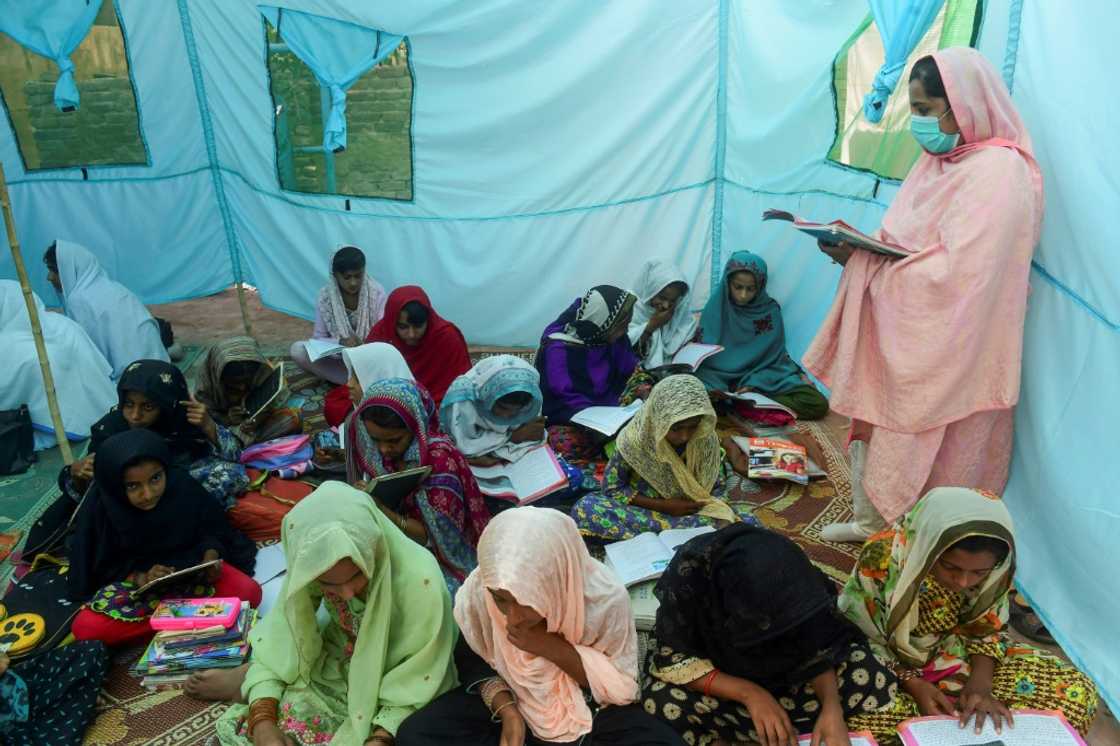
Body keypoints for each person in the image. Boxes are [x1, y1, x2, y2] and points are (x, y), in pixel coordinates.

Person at [805, 49, 1044, 542]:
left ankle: (919, 541)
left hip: (954, 343)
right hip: (905, 326)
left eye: (924, 109)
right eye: (912, 108)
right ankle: (873, 523)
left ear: (962, 105)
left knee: (935, 448)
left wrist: (869, 267)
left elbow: (964, 277)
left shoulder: (1000, 172)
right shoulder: (939, 161)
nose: (917, 122)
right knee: (882, 427)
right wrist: (858, 254)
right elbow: (903, 238)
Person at [396, 507, 684, 746]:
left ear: (554, 580)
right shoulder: (483, 586)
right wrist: (508, 712)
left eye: (526, 600)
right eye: (501, 600)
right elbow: (473, 659)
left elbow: (618, 686)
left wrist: (549, 647)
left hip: (589, 707)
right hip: (514, 695)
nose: (512, 618)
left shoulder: (603, 599)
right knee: (417, 734)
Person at [839, 487, 1099, 738]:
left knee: (1076, 693)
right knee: (861, 721)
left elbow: (987, 629)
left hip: (960, 655)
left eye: (978, 573)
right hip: (890, 665)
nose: (963, 582)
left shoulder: (997, 568)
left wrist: (980, 685)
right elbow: (857, 634)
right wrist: (912, 682)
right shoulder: (883, 557)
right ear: (928, 547)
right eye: (951, 567)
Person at [214, 482, 459, 745]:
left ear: (373, 549)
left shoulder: (420, 582)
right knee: (247, 730)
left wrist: (380, 737)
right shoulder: (314, 560)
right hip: (340, 661)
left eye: (356, 576)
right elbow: (285, 633)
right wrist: (263, 719)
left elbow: (421, 675)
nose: (347, 593)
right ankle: (252, 680)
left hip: (397, 678)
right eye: (329, 584)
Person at [644, 524, 915, 746]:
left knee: (867, 670)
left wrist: (832, 709)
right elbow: (674, 659)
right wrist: (751, 695)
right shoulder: (692, 580)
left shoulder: (792, 580)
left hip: (795, 680)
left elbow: (819, 645)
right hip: (727, 688)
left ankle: (800, 728)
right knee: (661, 701)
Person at [67, 429, 260, 647]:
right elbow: (101, 568)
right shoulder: (104, 509)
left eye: (155, 478)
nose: (148, 494)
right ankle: (193, 620)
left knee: (249, 591)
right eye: (133, 486)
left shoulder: (181, 487)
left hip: (193, 574)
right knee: (86, 628)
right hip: (137, 594)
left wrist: (210, 556)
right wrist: (141, 578)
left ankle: (170, 624)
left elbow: (213, 528)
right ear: (115, 485)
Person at [346, 377, 491, 594]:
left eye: (394, 440)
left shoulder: (440, 463)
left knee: (413, 594)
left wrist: (383, 511)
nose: (383, 449)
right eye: (375, 440)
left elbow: (436, 539)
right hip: (398, 534)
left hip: (439, 554)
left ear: (416, 427)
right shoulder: (383, 454)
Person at [571, 375, 757, 541]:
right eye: (675, 428)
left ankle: (670, 537)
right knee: (587, 507)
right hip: (646, 510)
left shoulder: (704, 440)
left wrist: (714, 510)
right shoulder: (634, 441)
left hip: (691, 512)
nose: (684, 436)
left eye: (692, 426)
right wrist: (664, 506)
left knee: (747, 521)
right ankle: (695, 537)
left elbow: (717, 487)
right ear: (657, 419)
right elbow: (612, 488)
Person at [60, 359, 249, 508]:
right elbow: (87, 494)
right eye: (129, 404)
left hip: (176, 501)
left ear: (168, 405)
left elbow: (236, 459)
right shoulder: (110, 430)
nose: (135, 416)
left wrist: (209, 426)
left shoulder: (184, 424)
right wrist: (76, 473)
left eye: (148, 407)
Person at [695, 251, 828, 421]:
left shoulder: (769, 311)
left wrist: (755, 383)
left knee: (816, 403)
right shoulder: (716, 307)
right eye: (738, 287)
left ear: (760, 286)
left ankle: (744, 403)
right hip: (718, 377)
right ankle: (738, 403)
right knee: (694, 394)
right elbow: (704, 353)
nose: (743, 295)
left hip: (759, 374)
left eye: (750, 289)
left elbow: (774, 358)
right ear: (727, 283)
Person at [0, 280, 116, 450]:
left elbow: (6, 390)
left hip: (52, 427)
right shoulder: (62, 323)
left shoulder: (8, 344)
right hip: (99, 407)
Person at [536, 285, 639, 460]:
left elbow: (631, 371)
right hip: (571, 417)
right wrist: (599, 422)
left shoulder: (613, 337)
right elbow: (565, 398)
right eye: (623, 326)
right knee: (566, 443)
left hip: (613, 411)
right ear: (603, 323)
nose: (626, 331)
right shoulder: (559, 350)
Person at [43, 240, 168, 379]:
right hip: (160, 363)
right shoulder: (109, 286)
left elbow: (88, 357)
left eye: (54, 271)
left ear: (70, 270)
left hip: (132, 377)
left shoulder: (79, 301)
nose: (49, 277)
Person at [290, 245, 388, 385]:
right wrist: (340, 343)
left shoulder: (376, 292)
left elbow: (383, 334)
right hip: (341, 361)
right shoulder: (325, 297)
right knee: (297, 350)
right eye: (347, 277)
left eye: (358, 276)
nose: (353, 283)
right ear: (335, 275)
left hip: (370, 358)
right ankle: (354, 381)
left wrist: (364, 346)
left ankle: (358, 381)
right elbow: (318, 339)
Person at [364, 285, 471, 406]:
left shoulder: (446, 338)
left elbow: (460, 390)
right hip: (389, 409)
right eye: (403, 327)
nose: (411, 334)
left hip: (438, 409)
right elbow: (364, 380)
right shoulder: (381, 336)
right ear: (392, 323)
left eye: (418, 326)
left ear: (428, 321)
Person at [194, 336, 302, 445]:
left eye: (247, 382)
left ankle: (257, 447)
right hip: (228, 433)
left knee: (292, 419)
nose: (242, 388)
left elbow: (275, 399)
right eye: (234, 384)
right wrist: (227, 419)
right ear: (220, 377)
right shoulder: (206, 388)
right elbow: (206, 423)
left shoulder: (263, 372)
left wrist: (258, 419)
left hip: (255, 425)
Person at [0, 642, 108, 746]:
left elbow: (3, 661)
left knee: (91, 649)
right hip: (13, 728)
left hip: (17, 686)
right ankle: (83, 694)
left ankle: (83, 694)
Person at [323, 342, 414, 429]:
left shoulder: (403, 426)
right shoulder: (352, 423)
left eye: (358, 379)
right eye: (351, 375)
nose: (349, 384)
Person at [627, 260, 697, 369]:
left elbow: (687, 332)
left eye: (672, 300)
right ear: (650, 290)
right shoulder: (628, 306)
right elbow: (622, 348)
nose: (666, 305)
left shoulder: (678, 311)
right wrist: (652, 326)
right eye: (662, 298)